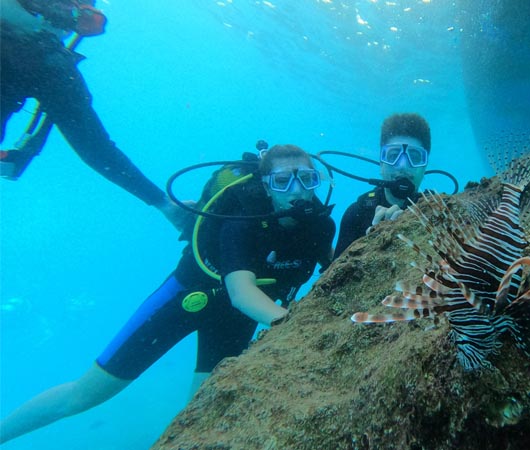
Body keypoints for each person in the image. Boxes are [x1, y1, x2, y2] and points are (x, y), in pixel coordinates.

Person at [0, 144, 336, 443]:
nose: (298, 192)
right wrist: (294, 325)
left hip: (235, 322)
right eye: (283, 182)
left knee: (204, 412)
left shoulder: (321, 225)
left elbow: (335, 271)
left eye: (308, 179)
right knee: (83, 396)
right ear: (266, 185)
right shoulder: (243, 218)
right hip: (185, 300)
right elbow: (241, 291)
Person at [0, 0, 188, 230]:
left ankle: (166, 206)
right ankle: (165, 205)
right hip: (30, 55)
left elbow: (96, 149)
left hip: (45, 58)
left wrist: (163, 203)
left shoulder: (52, 63)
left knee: (95, 146)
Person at [333, 113, 431, 258]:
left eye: (415, 157)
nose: (403, 166)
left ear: (425, 168)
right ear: (381, 164)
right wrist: (372, 244)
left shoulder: (436, 213)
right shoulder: (356, 215)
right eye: (393, 156)